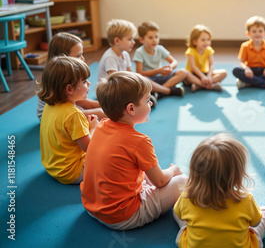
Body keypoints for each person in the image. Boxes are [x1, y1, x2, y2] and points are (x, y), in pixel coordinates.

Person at [80, 71, 187, 230]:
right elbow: (160, 181)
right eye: (147, 100)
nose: (150, 103)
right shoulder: (139, 141)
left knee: (139, 169)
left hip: (92, 207)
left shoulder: (102, 125)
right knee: (183, 181)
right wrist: (173, 170)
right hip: (122, 217)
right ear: (131, 108)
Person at [173, 133, 265, 247]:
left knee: (177, 212)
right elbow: (256, 223)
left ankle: (187, 228)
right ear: (237, 175)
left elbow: (179, 214)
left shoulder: (187, 197)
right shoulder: (246, 199)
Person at [38, 56, 98, 184]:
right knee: (111, 153)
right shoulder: (74, 114)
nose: (89, 84)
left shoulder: (49, 106)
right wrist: (93, 127)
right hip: (72, 172)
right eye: (84, 82)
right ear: (69, 89)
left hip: (53, 167)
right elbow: (89, 147)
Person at [36, 32, 105, 121]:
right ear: (64, 59)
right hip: (52, 117)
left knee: (101, 112)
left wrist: (105, 105)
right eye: (79, 55)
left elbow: (82, 101)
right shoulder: (61, 76)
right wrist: (105, 107)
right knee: (101, 113)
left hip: (67, 108)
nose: (83, 58)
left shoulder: (71, 73)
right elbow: (83, 102)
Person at [97, 19, 166, 106]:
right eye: (130, 39)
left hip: (120, 85)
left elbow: (131, 73)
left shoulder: (125, 54)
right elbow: (114, 81)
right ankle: (164, 92)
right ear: (117, 41)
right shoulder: (110, 57)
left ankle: (160, 92)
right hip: (110, 91)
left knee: (143, 79)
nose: (133, 42)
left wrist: (139, 81)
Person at [133, 21, 186, 97]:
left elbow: (174, 62)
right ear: (141, 39)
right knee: (141, 80)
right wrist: (158, 70)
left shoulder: (160, 49)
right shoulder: (139, 52)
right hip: (150, 80)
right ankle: (168, 91)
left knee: (183, 72)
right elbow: (140, 73)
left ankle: (160, 92)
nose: (154, 40)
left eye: (156, 37)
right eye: (150, 37)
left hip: (161, 77)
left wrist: (170, 67)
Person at [232, 16, 265, 90]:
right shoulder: (244, 46)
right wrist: (246, 69)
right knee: (236, 70)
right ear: (248, 34)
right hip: (250, 72)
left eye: (260, 31)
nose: (257, 34)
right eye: (254, 31)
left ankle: (249, 83)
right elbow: (241, 62)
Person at [184, 25, 227, 92]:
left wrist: (209, 76)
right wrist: (202, 77)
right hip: (193, 74)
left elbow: (211, 65)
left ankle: (199, 86)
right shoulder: (191, 51)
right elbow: (193, 67)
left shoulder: (209, 50)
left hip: (204, 73)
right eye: (203, 40)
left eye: (208, 39)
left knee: (224, 73)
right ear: (195, 41)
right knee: (185, 74)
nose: (206, 42)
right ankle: (210, 86)